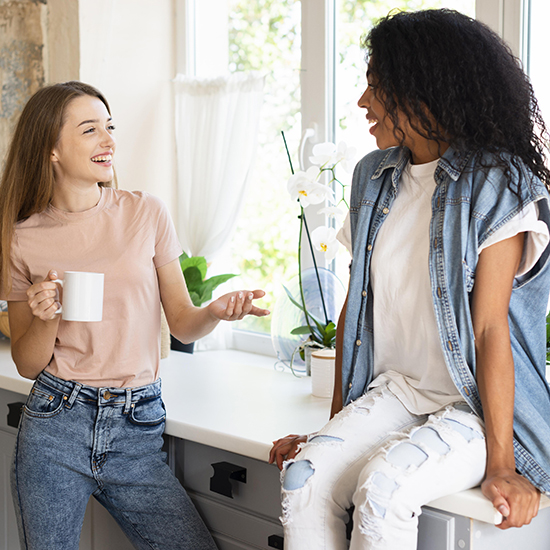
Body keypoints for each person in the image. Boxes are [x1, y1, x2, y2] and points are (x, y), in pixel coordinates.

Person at [269, 9, 550, 549]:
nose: (362, 103)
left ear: (424, 92)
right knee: (304, 478)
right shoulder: (372, 177)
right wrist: (329, 434)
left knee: (384, 490)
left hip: (477, 407)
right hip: (399, 393)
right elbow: (355, 311)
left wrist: (503, 467)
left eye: (377, 87)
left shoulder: (499, 183)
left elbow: (492, 330)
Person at [0, 80, 270, 550]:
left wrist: (215, 312)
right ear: (52, 149)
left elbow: (183, 321)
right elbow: (27, 363)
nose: (109, 141)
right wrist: (45, 317)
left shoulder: (146, 213)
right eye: (90, 130)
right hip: (55, 426)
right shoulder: (22, 236)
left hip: (137, 427)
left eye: (109, 127)